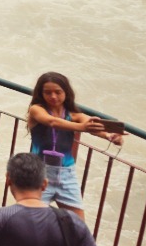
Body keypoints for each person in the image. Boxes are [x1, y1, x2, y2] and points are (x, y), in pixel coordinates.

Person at [26, 71, 123, 218]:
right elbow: (52, 122)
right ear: (41, 94)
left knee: (78, 225)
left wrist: (110, 135)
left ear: (66, 92)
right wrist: (82, 128)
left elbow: (91, 125)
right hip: (38, 174)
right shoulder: (37, 109)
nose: (53, 96)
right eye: (48, 93)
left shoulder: (74, 115)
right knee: (32, 222)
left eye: (58, 92)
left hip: (66, 174)